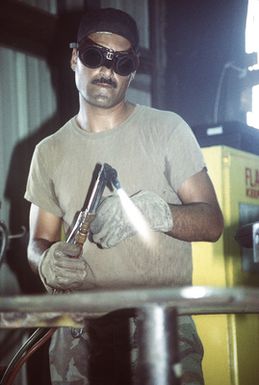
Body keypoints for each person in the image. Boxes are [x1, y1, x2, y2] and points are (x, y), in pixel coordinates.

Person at [25, 7, 224, 385]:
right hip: (78, 333)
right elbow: (38, 243)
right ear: (74, 57)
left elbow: (213, 222)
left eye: (121, 62)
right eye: (95, 56)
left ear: (132, 71)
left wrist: (157, 213)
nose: (107, 71)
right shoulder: (47, 152)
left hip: (160, 327)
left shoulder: (167, 130)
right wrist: (45, 259)